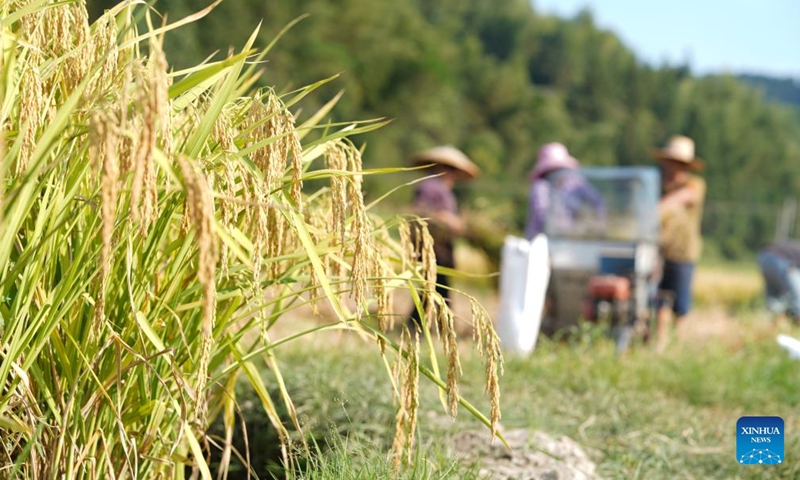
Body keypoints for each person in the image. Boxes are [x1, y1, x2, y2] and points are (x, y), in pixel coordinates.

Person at [407, 146, 480, 328]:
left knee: (434, 286)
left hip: (442, 245)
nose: (453, 176)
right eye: (451, 170)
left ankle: (426, 325)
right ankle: (439, 326)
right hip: (431, 246)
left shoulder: (443, 189)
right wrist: (448, 220)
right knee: (436, 286)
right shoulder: (429, 186)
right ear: (441, 168)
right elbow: (421, 212)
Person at [653, 135, 706, 344]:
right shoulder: (657, 185)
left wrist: (653, 210)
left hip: (683, 252)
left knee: (680, 303)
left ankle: (679, 343)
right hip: (658, 250)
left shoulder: (694, 185)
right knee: (659, 299)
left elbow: (679, 199)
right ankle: (661, 342)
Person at [525, 142, 604, 240]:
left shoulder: (574, 183)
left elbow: (596, 200)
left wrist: (595, 222)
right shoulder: (540, 186)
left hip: (567, 240)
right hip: (542, 240)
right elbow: (542, 215)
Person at [757, 240, 800, 323]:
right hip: (780, 261)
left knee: (775, 298)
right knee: (798, 298)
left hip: (763, 256)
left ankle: (773, 324)